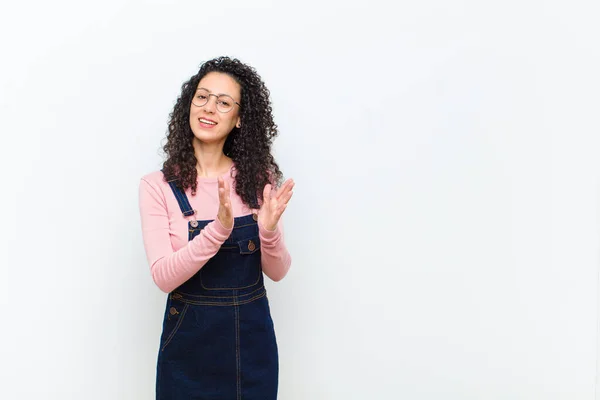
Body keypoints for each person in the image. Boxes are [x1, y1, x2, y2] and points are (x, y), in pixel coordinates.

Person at [138, 56, 294, 400]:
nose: (209, 108)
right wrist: (218, 230)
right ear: (188, 104)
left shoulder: (256, 180)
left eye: (224, 102)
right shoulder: (158, 186)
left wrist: (268, 231)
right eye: (202, 96)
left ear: (239, 119)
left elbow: (278, 272)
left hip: (251, 345)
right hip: (188, 348)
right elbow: (164, 277)